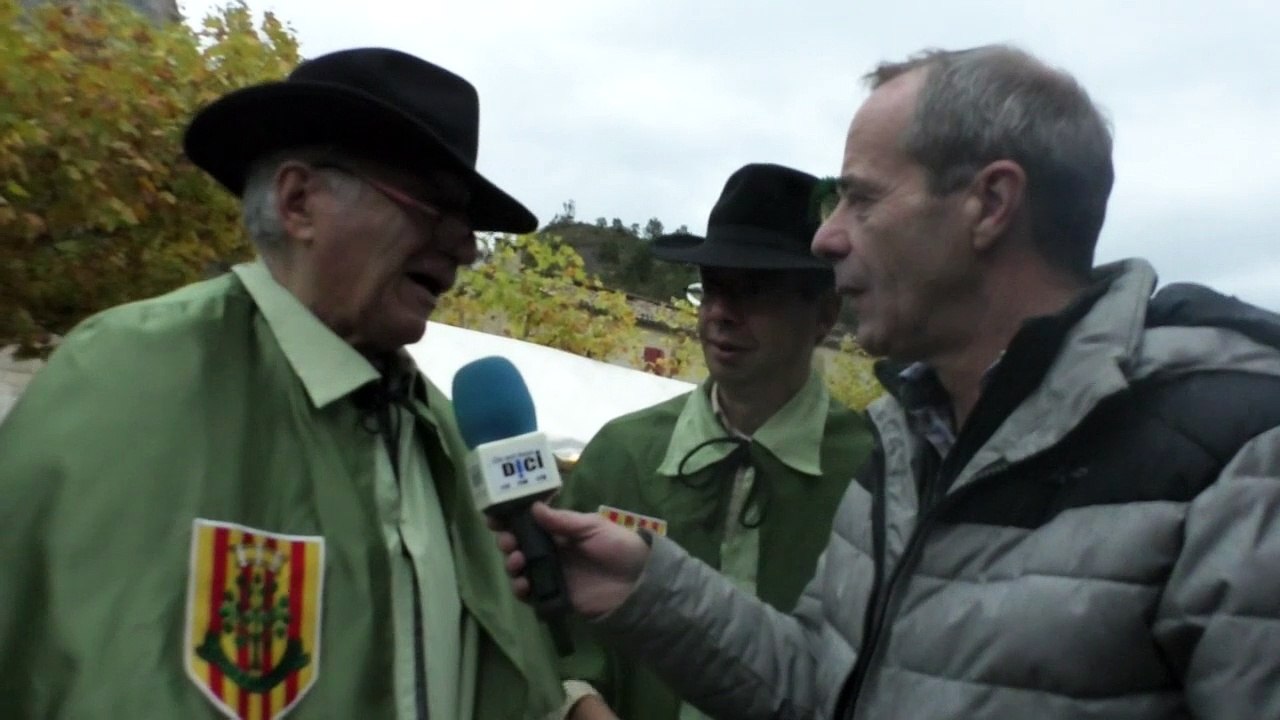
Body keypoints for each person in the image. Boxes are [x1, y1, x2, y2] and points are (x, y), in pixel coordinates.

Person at [495, 44, 1280, 719]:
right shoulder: (904, 452)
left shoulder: (1237, 458)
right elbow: (820, 690)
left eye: (862, 199)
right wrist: (647, 586)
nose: (828, 238)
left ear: (991, 203)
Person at [0, 48, 585, 719]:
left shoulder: (444, 432)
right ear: (300, 201)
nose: (463, 249)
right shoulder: (123, 378)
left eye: (468, 226)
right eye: (431, 205)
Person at [554, 163, 875, 720]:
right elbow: (551, 638)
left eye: (754, 291)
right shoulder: (622, 455)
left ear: (824, 315)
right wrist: (581, 704)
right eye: (713, 289)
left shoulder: (876, 472)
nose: (722, 315)